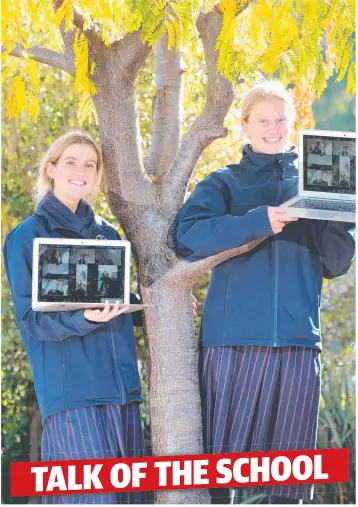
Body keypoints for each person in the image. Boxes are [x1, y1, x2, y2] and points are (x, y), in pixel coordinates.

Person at [175, 81, 355, 505]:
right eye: (263, 120)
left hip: (298, 346)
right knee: (226, 478)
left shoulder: (317, 183)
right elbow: (186, 237)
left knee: (289, 483)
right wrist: (257, 221)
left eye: (281, 119)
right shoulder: (224, 184)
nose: (273, 128)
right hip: (232, 346)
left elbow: (334, 263)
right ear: (245, 126)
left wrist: (342, 213)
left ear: (293, 125)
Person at [3, 130, 145, 504]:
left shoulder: (108, 235)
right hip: (73, 398)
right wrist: (85, 319)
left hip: (123, 394)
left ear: (97, 175)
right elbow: (32, 321)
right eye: (70, 161)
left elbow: (110, 299)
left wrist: (157, 309)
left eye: (89, 164)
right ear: (50, 168)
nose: (80, 170)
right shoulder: (26, 237)